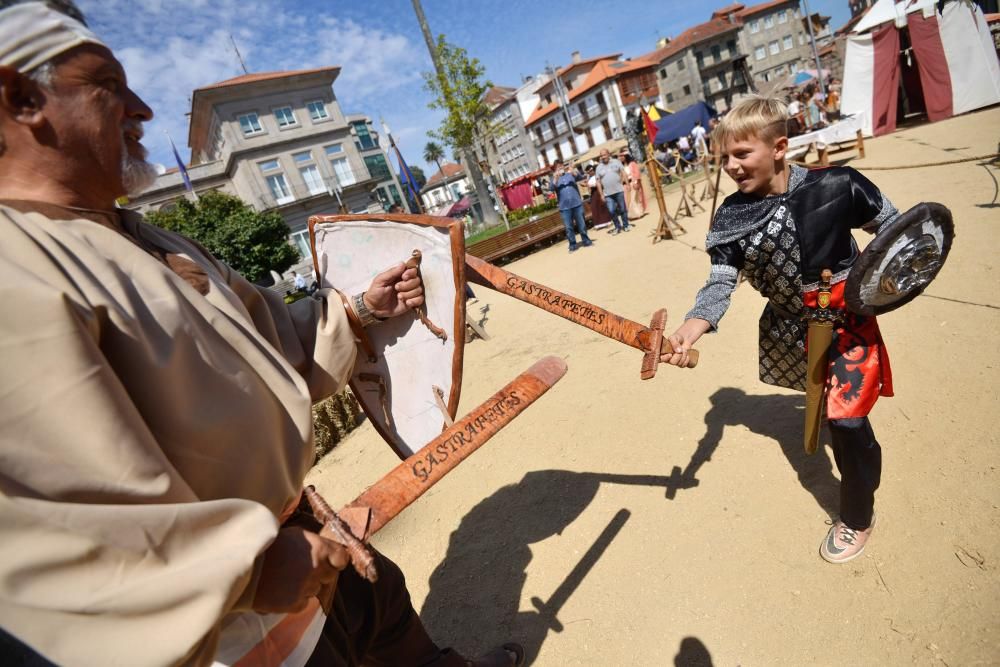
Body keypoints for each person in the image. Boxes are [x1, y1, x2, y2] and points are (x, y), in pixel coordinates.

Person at [0, 2, 524, 665]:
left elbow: (270, 341)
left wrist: (361, 310)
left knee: (390, 620)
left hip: (307, 537)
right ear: (20, 98)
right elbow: (65, 521)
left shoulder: (151, 238)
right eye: (108, 85)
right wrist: (247, 567)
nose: (140, 109)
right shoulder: (13, 272)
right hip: (238, 625)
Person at [662, 96, 900, 565]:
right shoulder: (731, 215)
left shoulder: (839, 184)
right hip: (791, 329)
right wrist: (696, 322)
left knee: (848, 422)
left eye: (741, 154)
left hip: (848, 323)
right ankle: (835, 422)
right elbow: (721, 279)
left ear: (779, 147)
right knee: (828, 412)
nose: (730, 166)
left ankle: (856, 516)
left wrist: (884, 281)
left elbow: (894, 229)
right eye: (723, 157)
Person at [550, 160, 593, 253]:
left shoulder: (570, 174)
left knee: (581, 224)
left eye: (561, 166)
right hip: (564, 207)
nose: (560, 168)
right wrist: (555, 178)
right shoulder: (554, 178)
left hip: (576, 204)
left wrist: (572, 170)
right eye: (557, 167)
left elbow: (581, 177)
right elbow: (551, 188)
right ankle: (572, 245)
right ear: (555, 168)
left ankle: (586, 240)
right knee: (569, 227)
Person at [595, 148, 631, 234]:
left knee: (622, 209)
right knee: (611, 211)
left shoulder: (616, 162)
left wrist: (628, 184)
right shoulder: (598, 168)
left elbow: (623, 173)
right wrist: (601, 194)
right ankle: (617, 227)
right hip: (607, 194)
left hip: (619, 190)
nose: (603, 157)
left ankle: (626, 225)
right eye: (601, 155)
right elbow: (598, 182)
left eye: (604, 155)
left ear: (608, 154)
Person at [623, 154, 646, 219]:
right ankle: (632, 214)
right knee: (629, 200)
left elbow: (637, 173)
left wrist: (636, 182)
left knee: (634, 199)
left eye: (622, 156)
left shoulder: (632, 164)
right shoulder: (621, 166)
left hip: (633, 183)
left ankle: (638, 213)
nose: (621, 158)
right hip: (626, 185)